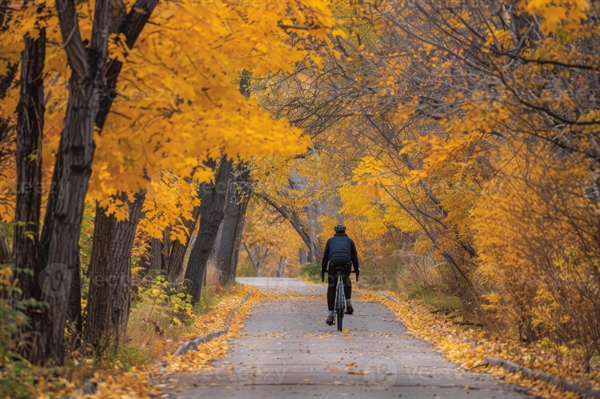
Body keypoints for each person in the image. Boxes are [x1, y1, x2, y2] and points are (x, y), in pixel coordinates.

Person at [321, 223, 360, 325]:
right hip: (346, 262)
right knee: (346, 278)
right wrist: (356, 270)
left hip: (333, 263)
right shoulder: (349, 241)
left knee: (332, 286)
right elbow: (354, 257)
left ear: (335, 232)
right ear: (344, 231)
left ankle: (330, 315)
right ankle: (348, 302)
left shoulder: (330, 241)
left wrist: (323, 269)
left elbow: (325, 257)